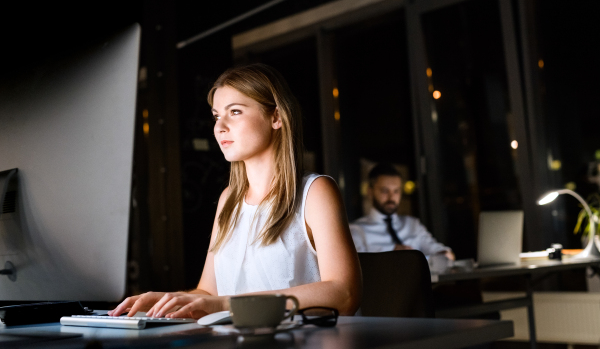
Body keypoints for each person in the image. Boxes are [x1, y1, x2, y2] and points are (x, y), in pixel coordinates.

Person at [109, 64, 361, 319]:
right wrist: (166, 302)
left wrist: (227, 304)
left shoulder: (315, 192)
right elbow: (209, 292)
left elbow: (344, 294)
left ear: (276, 117)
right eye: (217, 116)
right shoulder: (228, 199)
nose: (220, 127)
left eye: (235, 112)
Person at [350, 163, 454, 260]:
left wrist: (442, 255)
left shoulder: (413, 224)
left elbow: (443, 254)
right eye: (385, 191)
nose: (392, 197)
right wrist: (391, 255)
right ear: (370, 192)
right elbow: (359, 268)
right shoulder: (357, 230)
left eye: (396, 191)